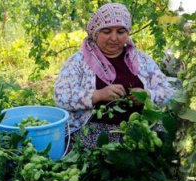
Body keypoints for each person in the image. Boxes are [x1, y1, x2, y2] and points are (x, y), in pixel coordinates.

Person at [54, 3, 175, 150]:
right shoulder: (78, 62)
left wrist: (148, 95)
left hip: (140, 131)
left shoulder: (142, 61)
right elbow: (61, 96)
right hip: (92, 134)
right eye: (106, 31)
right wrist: (98, 95)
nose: (114, 38)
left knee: (158, 150)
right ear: (95, 33)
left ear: (128, 33)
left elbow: (169, 93)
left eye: (121, 31)